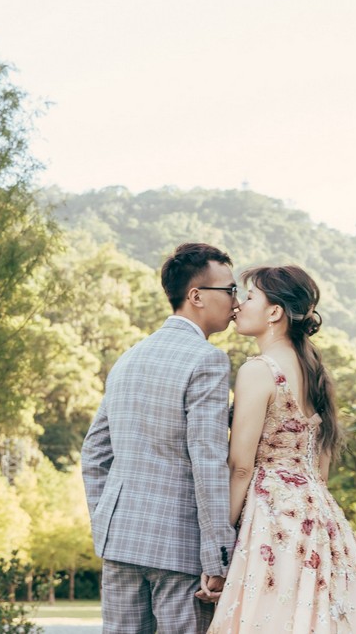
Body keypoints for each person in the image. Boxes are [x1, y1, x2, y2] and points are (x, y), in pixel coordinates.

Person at [204, 265, 356, 633]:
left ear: (274, 312)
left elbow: (240, 467)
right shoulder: (315, 371)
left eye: (250, 297)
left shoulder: (259, 371)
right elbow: (321, 469)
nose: (238, 305)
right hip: (317, 518)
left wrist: (220, 545)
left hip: (271, 517)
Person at [82, 242, 240, 634]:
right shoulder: (207, 359)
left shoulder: (129, 357)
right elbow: (207, 459)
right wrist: (218, 558)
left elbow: (93, 454)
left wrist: (106, 520)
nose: (236, 302)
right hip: (179, 547)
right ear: (196, 296)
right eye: (230, 290)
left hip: (119, 541)